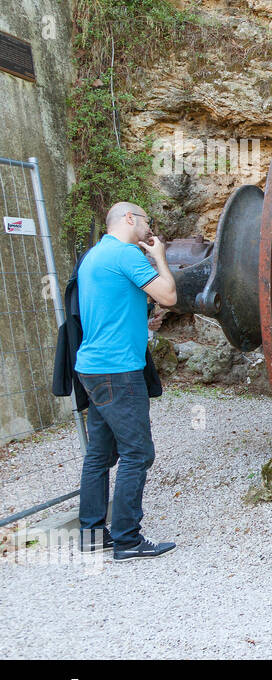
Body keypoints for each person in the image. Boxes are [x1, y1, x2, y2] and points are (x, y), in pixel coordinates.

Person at [75, 202, 178, 560]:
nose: (149, 228)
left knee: (99, 454)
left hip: (91, 367)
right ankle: (127, 539)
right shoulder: (126, 255)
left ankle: (92, 534)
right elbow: (168, 295)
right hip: (119, 370)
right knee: (138, 452)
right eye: (146, 221)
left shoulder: (93, 256)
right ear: (130, 219)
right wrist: (159, 257)